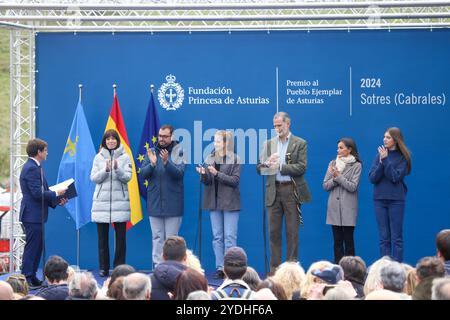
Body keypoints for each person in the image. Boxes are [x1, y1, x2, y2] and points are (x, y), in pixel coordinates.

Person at [256, 112, 311, 273]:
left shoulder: (299, 143)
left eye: (279, 125)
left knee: (292, 233)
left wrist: (280, 166)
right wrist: (266, 164)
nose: (277, 128)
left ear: (288, 124)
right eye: (275, 126)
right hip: (273, 191)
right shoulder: (268, 144)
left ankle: (291, 273)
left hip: (291, 191)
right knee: (273, 233)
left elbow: (302, 167)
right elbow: (259, 169)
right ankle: (274, 273)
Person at [19, 138, 67, 288]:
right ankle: (27, 278)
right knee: (32, 247)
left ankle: (32, 277)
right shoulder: (32, 168)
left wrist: (57, 200)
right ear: (38, 152)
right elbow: (37, 193)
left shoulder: (36, 167)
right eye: (45, 150)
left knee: (37, 247)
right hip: (32, 215)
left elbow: (41, 194)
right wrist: (55, 192)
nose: (47, 153)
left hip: (35, 215)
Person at [196, 130, 241, 279]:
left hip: (229, 202)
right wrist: (203, 174)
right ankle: (220, 267)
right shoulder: (210, 157)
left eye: (218, 141)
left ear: (226, 143)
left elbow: (234, 181)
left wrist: (216, 174)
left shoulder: (235, 159)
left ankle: (231, 268)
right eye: (214, 141)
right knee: (217, 237)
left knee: (229, 237)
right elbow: (208, 181)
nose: (215, 144)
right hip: (213, 202)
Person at [141, 124, 185, 267]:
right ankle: (158, 266)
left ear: (172, 137)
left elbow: (179, 174)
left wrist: (166, 163)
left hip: (173, 203)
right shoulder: (152, 152)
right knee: (157, 237)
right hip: (155, 203)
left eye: (165, 136)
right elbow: (143, 174)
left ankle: (172, 266)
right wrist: (152, 164)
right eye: (160, 136)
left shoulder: (179, 152)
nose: (161, 139)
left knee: (171, 240)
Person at [90, 129, 132, 277]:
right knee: (102, 239)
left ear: (117, 141)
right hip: (101, 204)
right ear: (104, 142)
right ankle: (104, 267)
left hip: (120, 203)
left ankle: (119, 268)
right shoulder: (98, 157)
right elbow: (94, 178)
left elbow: (128, 177)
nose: (111, 141)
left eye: (113, 139)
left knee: (121, 239)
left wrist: (117, 169)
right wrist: (106, 170)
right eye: (108, 139)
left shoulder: (125, 157)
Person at [369, 127, 411, 262]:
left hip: (396, 200)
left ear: (396, 140)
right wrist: (382, 162)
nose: (384, 139)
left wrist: (386, 160)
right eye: (384, 137)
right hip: (379, 200)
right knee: (383, 237)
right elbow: (372, 178)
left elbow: (394, 177)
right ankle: (384, 267)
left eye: (388, 137)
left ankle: (398, 268)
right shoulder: (379, 156)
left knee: (396, 237)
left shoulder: (402, 158)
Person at [323, 138, 362, 264]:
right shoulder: (333, 163)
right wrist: (334, 178)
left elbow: (352, 186)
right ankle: (338, 271)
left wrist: (338, 176)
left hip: (348, 208)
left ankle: (351, 271)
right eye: (338, 147)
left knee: (349, 242)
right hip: (334, 208)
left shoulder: (357, 165)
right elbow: (325, 186)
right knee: (337, 242)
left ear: (349, 149)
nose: (338, 150)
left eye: (341, 147)